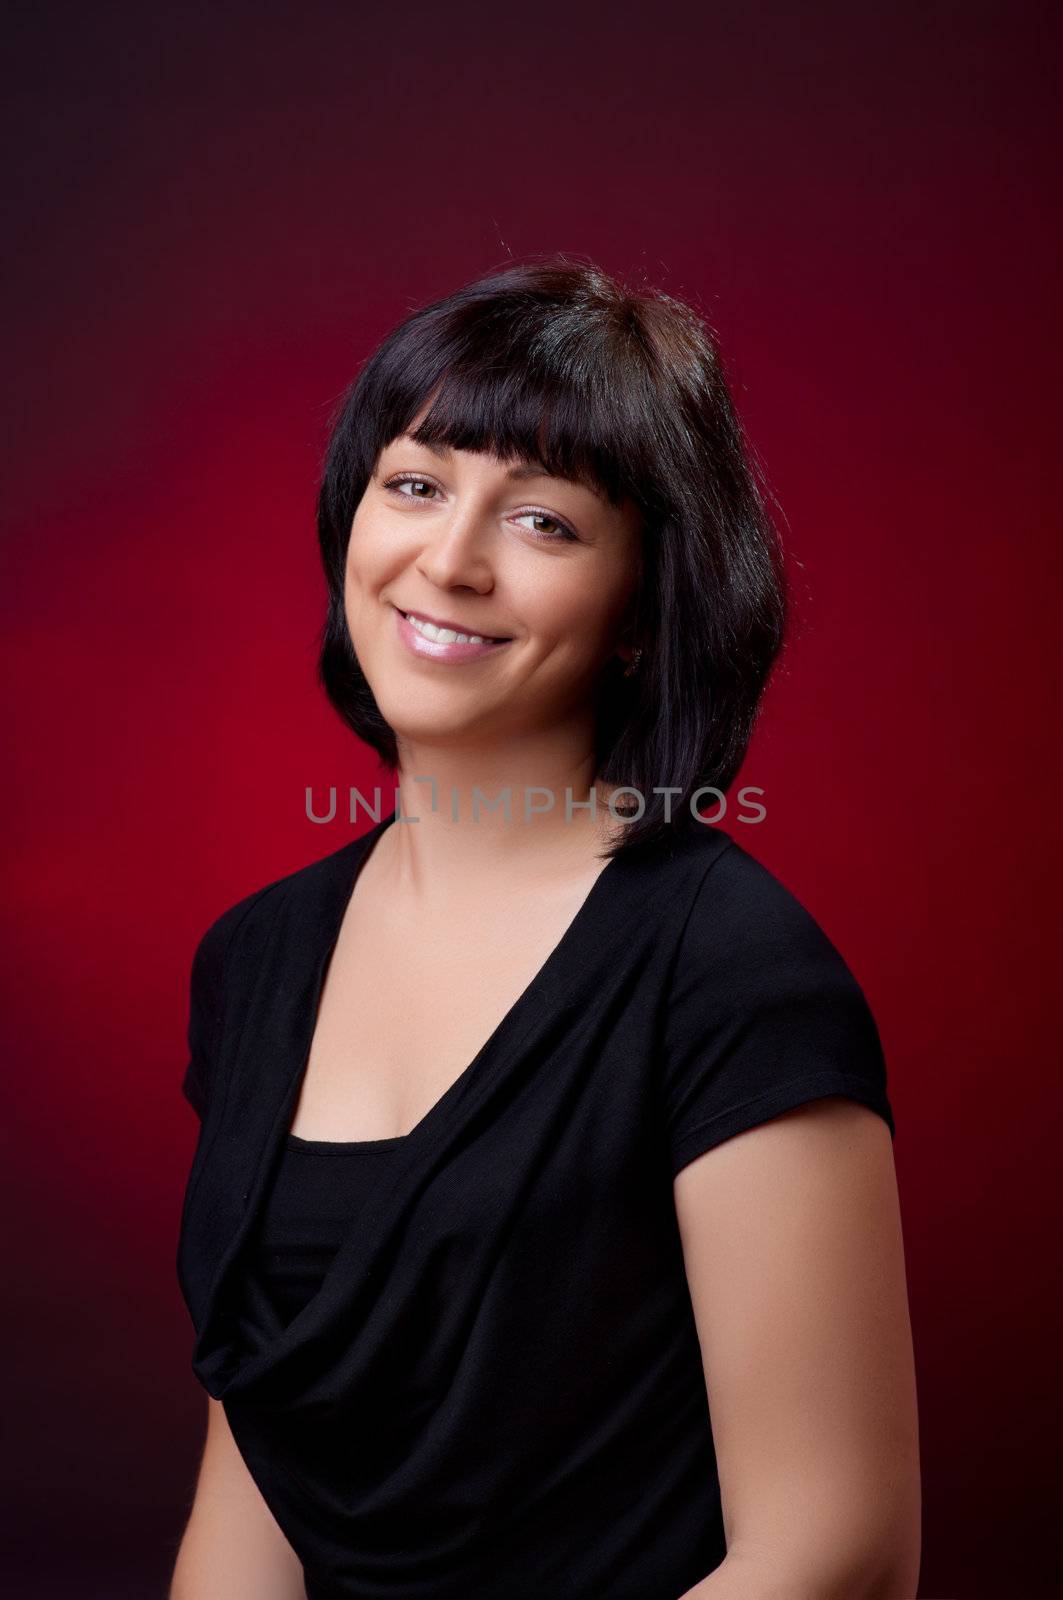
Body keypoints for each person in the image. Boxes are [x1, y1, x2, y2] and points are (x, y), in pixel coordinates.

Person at [171, 256, 921, 1600]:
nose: (447, 561)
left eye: (544, 523)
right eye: (416, 483)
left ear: (641, 612)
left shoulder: (731, 970)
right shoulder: (255, 959)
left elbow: (838, 1554)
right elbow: (264, 1464)